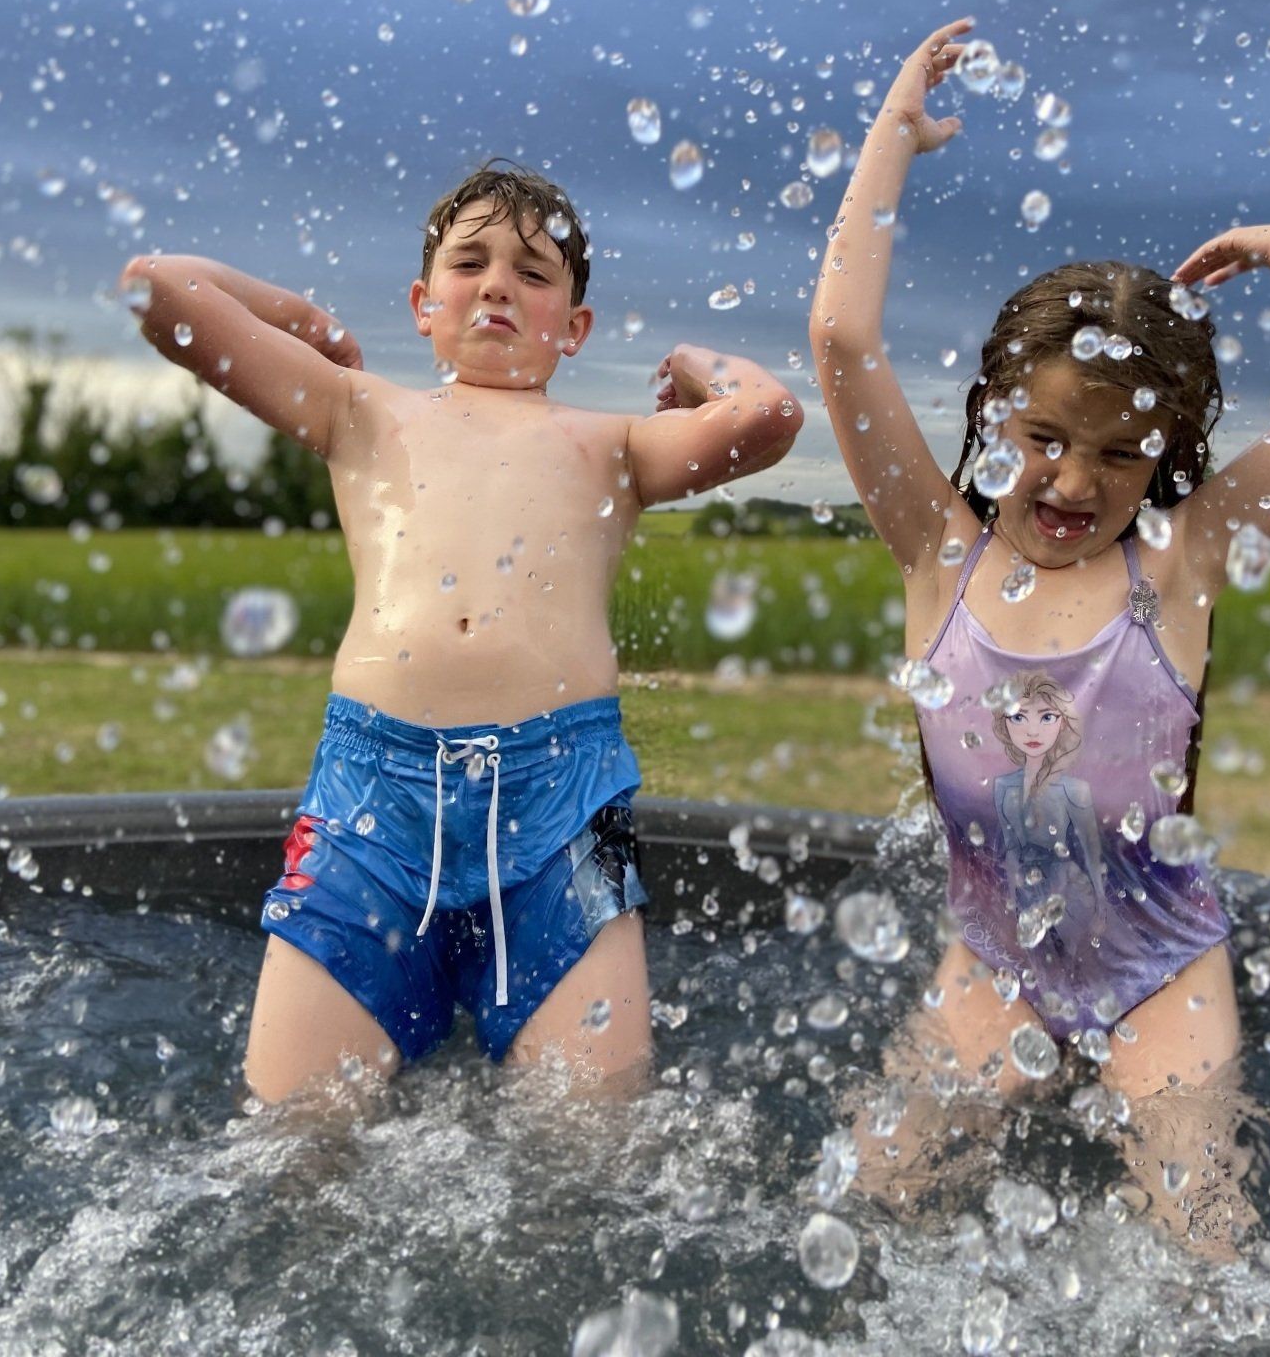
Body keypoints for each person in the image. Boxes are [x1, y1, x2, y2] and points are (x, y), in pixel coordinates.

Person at [808, 19, 1270, 1251]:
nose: (1076, 481)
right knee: (875, 1206)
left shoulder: (1185, 561)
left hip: (1160, 971)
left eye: (1121, 452)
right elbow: (840, 339)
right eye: (1043, 439)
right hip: (996, 961)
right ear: (991, 416)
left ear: (1166, 454)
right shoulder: (937, 553)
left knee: (1201, 1248)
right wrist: (894, 137)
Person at [121, 161, 803, 1103]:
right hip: (373, 797)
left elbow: (769, 415)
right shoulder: (357, 408)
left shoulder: (614, 444)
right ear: (423, 304)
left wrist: (696, 366)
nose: (497, 286)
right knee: (294, 1133)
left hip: (563, 800)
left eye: (533, 272)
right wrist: (303, 321)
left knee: (593, 1144)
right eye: (470, 263)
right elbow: (157, 289)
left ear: (575, 328)